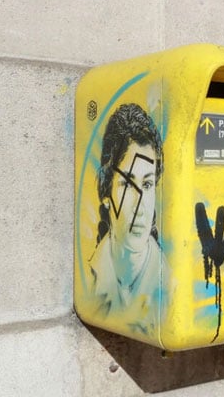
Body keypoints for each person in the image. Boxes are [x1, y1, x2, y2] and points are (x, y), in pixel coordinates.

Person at [88, 103, 165, 335]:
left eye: (147, 184)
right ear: (106, 193)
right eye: (128, 184)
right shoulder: (91, 277)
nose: (140, 206)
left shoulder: (169, 284)